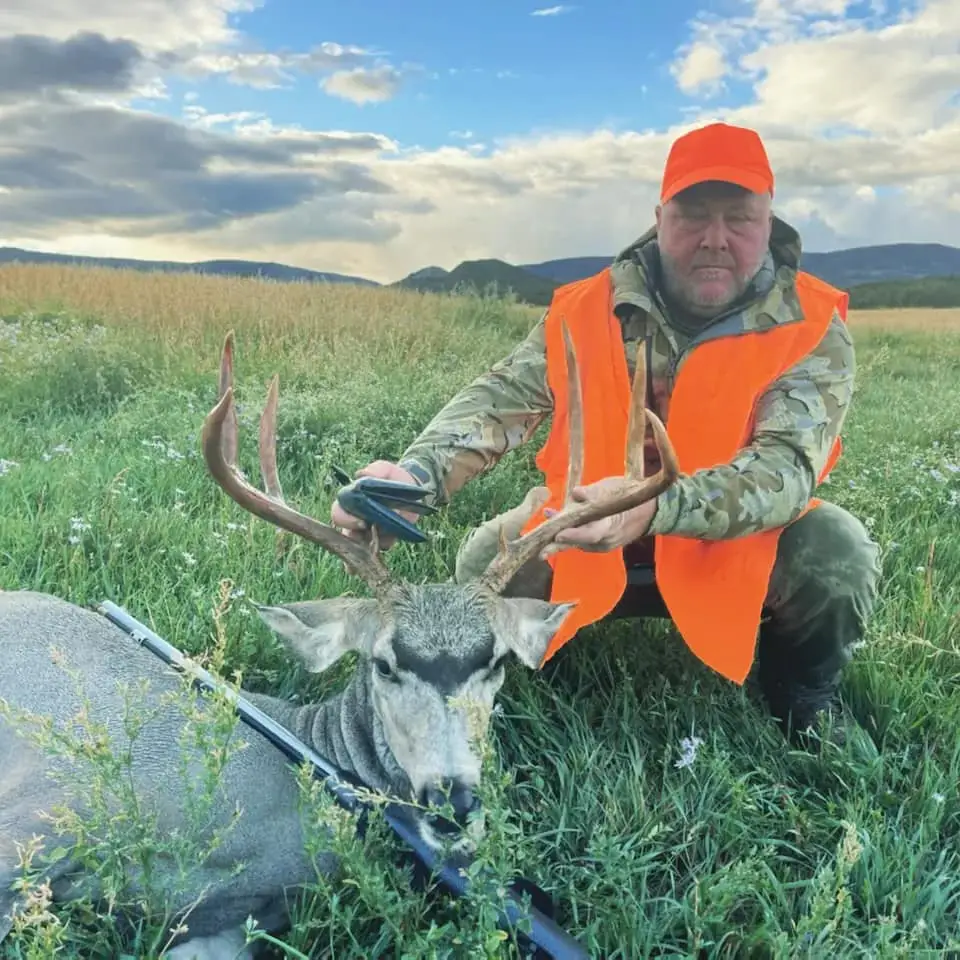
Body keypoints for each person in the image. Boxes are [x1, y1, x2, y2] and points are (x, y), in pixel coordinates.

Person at [331, 121, 881, 762]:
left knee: (836, 551)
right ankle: (541, 666)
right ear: (659, 218)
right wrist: (414, 480)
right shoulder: (585, 308)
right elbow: (499, 400)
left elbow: (785, 470)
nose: (715, 238)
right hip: (583, 534)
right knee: (483, 564)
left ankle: (804, 696)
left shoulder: (811, 323)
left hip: (729, 547)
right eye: (692, 216)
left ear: (768, 221)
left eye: (739, 218)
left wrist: (654, 508)